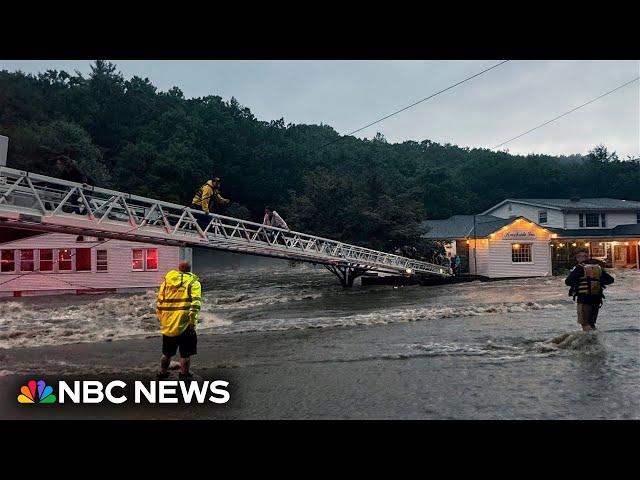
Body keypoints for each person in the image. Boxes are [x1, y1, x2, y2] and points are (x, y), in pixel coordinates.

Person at [156, 261, 202, 380]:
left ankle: (162, 372)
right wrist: (193, 322)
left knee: (167, 353)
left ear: (179, 269)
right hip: (185, 323)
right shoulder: (193, 283)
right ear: (190, 269)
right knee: (185, 354)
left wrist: (163, 319)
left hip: (168, 323)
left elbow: (159, 302)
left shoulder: (166, 282)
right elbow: (195, 305)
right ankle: (184, 374)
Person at [564, 249, 614, 331]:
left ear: (577, 258)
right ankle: (595, 340)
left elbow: (568, 282)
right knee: (592, 323)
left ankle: (589, 341)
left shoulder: (579, 268)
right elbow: (610, 280)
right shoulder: (598, 268)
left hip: (584, 299)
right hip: (597, 299)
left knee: (585, 324)